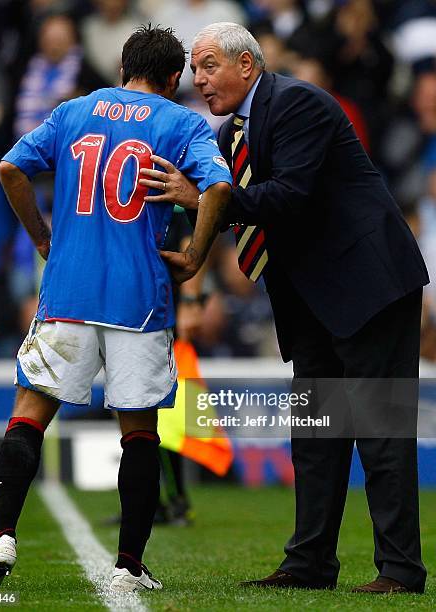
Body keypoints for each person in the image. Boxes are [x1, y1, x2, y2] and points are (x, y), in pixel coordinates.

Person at [140, 22, 429, 594]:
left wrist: (204, 201)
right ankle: (309, 564)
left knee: (380, 432)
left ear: (247, 65)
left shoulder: (298, 104)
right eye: (195, 69)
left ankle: (400, 571)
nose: (199, 79)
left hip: (367, 287)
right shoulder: (232, 134)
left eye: (209, 66)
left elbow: (286, 198)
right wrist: (193, 263)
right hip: (313, 298)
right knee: (316, 435)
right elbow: (224, 206)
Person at [0, 24, 231, 592]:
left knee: (28, 415)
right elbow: (220, 189)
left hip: (68, 291)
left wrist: (42, 237)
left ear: (120, 70)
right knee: (138, 432)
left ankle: (1, 537)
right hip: (140, 298)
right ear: (172, 79)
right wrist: (194, 255)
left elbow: (11, 168)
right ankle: (128, 565)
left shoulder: (72, 112)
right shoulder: (181, 122)